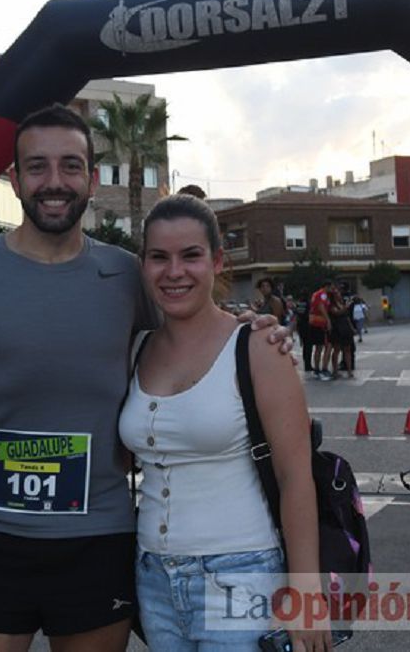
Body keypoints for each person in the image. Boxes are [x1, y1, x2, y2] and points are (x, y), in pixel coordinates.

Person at [0, 104, 292, 652]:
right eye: (37, 167)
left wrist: (252, 327)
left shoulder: (127, 275)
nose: (54, 182)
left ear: (92, 180)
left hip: (97, 537)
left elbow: (191, 324)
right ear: (14, 178)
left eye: (70, 166)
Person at [119, 196, 330, 650]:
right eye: (159, 257)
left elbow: (296, 476)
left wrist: (307, 590)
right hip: (154, 576)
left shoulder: (257, 347)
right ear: (144, 265)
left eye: (190, 255)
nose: (174, 271)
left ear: (216, 261)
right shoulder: (137, 348)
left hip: (242, 575)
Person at [308, 280, 334, 380]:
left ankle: (317, 369)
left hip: (315, 322)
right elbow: (321, 306)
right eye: (331, 287)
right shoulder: (323, 294)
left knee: (318, 347)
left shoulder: (316, 294)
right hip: (319, 323)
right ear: (327, 286)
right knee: (322, 346)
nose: (332, 289)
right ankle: (321, 369)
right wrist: (328, 320)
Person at [328, 286, 355, 379]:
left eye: (339, 293)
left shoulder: (342, 303)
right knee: (336, 350)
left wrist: (352, 328)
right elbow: (336, 313)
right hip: (337, 328)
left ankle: (349, 371)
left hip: (345, 328)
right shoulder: (331, 305)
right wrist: (346, 307)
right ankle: (335, 371)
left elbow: (347, 317)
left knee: (347, 349)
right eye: (337, 293)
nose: (339, 295)